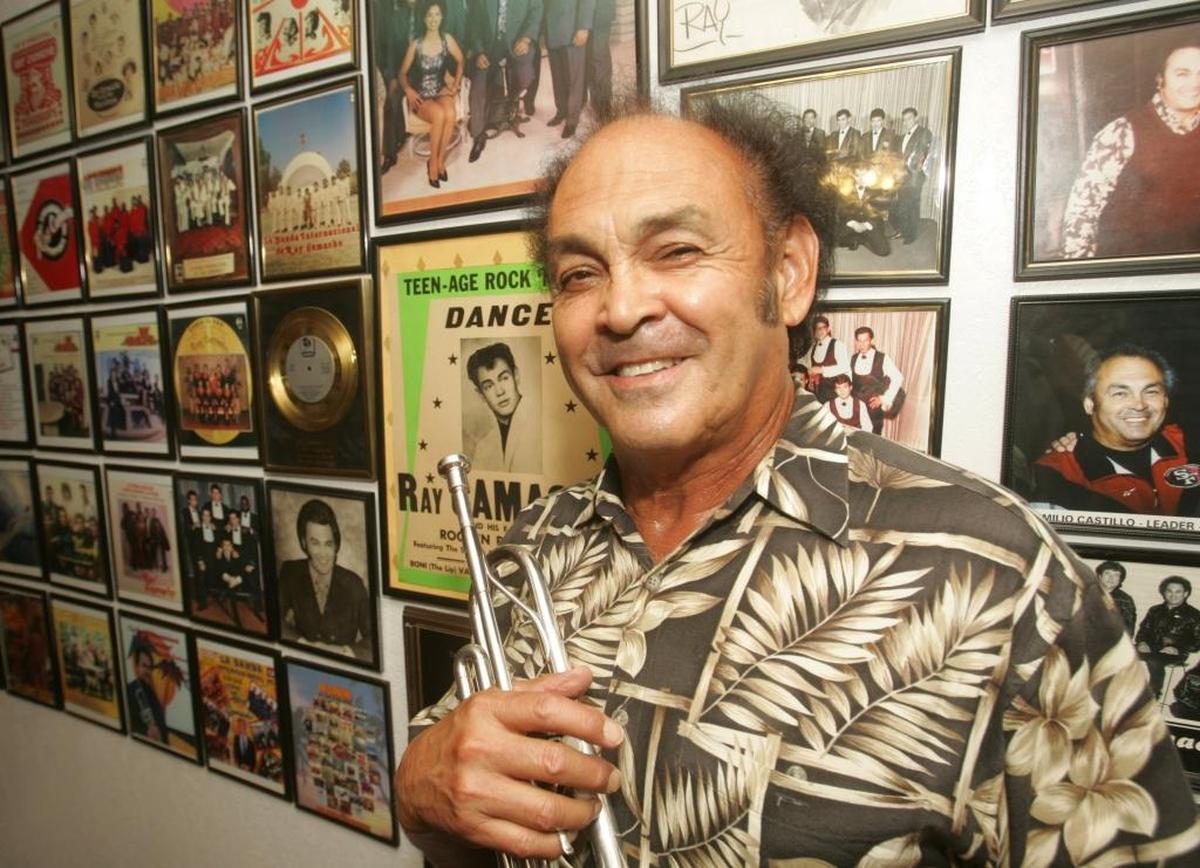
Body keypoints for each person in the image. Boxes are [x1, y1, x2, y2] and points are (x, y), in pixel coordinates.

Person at [394, 95, 1199, 865]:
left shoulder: (998, 574)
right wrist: (422, 798)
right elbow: (474, 816)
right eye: (578, 275)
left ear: (788, 273)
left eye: (675, 251)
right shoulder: (530, 547)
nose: (620, 308)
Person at [1061, 44, 1200, 260]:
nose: (1194, 83)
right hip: (1132, 273)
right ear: (1160, 79)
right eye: (1182, 74)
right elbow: (1082, 212)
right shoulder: (1121, 132)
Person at [1033, 345, 1199, 516]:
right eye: (1120, 393)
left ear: (1165, 401)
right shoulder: (1058, 475)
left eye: (1151, 392)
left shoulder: (1191, 444)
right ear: (1090, 404)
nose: (1139, 405)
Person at [277, 499, 370, 658]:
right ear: (304, 542)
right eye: (315, 543)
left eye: (328, 544)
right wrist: (302, 644)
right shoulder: (290, 573)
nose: (323, 555)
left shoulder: (354, 585)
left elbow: (375, 639)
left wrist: (345, 652)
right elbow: (273, 618)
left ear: (336, 545)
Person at [465, 0, 543, 163]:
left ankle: (511, 103)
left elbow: (537, 9)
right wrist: (479, 52)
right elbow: (475, 24)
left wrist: (526, 38)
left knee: (525, 76)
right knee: (479, 80)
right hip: (490, 45)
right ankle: (478, 135)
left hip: (517, 41)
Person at [400, 1, 465, 188]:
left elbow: (461, 61)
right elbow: (402, 74)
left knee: (450, 114)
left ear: (442, 16)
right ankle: (433, 163)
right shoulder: (416, 44)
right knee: (438, 114)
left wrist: (456, 85)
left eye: (437, 14)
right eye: (429, 15)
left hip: (440, 90)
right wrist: (409, 90)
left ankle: (439, 160)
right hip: (420, 96)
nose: (433, 19)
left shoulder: (447, 39)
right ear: (423, 18)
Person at [465, 342, 540, 473]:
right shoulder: (483, 448)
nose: (499, 392)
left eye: (504, 378)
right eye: (489, 386)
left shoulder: (542, 425)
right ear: (481, 394)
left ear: (516, 376)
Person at [1135, 576, 1200, 698]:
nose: (1173, 595)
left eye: (1178, 591)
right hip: (1149, 648)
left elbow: (1197, 642)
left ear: (1186, 594)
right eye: (1169, 591)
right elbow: (1143, 630)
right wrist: (1142, 642)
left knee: (1154, 661)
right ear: (1164, 593)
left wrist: (1177, 648)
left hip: (1174, 654)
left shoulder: (1194, 615)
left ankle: (1153, 695)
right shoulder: (1154, 610)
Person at [545, 0, 591, 140]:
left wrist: (583, 27)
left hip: (573, 30)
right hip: (551, 30)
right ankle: (562, 111)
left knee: (574, 78)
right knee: (557, 77)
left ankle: (572, 121)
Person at [849, 325, 904, 435]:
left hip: (873, 408)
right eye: (859, 341)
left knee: (873, 439)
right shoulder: (853, 358)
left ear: (871, 340)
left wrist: (884, 399)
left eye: (865, 340)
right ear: (856, 342)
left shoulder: (882, 358)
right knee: (856, 438)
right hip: (857, 407)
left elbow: (898, 378)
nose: (862, 344)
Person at [893, 107, 932, 245]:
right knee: (902, 203)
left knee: (912, 205)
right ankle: (902, 231)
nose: (906, 122)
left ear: (916, 118)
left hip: (914, 175)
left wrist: (909, 170)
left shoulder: (924, 132)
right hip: (902, 176)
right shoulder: (902, 136)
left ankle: (911, 234)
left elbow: (921, 155)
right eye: (904, 119)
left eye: (909, 118)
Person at [127, 638, 168, 743]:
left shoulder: (152, 692)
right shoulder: (130, 690)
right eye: (144, 666)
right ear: (136, 667)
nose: (147, 671)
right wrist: (146, 732)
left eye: (150, 668)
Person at [803, 314, 849, 403]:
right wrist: (810, 378)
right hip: (816, 395)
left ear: (828, 329)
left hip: (834, 395)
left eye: (822, 327)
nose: (819, 331)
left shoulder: (838, 344)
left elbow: (845, 367)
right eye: (817, 328)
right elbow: (808, 367)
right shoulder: (813, 348)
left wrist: (822, 370)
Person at [1096, 559, 1136, 635]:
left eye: (1116, 575)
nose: (1111, 578)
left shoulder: (1126, 600)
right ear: (1100, 576)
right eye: (1107, 573)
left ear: (1120, 580)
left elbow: (1128, 630)